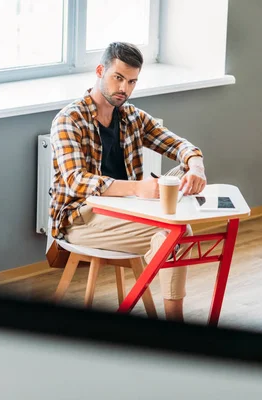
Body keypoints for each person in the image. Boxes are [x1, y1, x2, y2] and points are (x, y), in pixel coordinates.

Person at [49, 42, 207, 321]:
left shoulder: (132, 117)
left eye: (132, 81)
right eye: (118, 78)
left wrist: (196, 166)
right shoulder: (69, 119)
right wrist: (138, 188)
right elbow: (75, 181)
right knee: (174, 233)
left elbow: (178, 144)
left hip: (127, 209)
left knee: (176, 210)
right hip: (81, 218)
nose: (124, 88)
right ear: (100, 71)